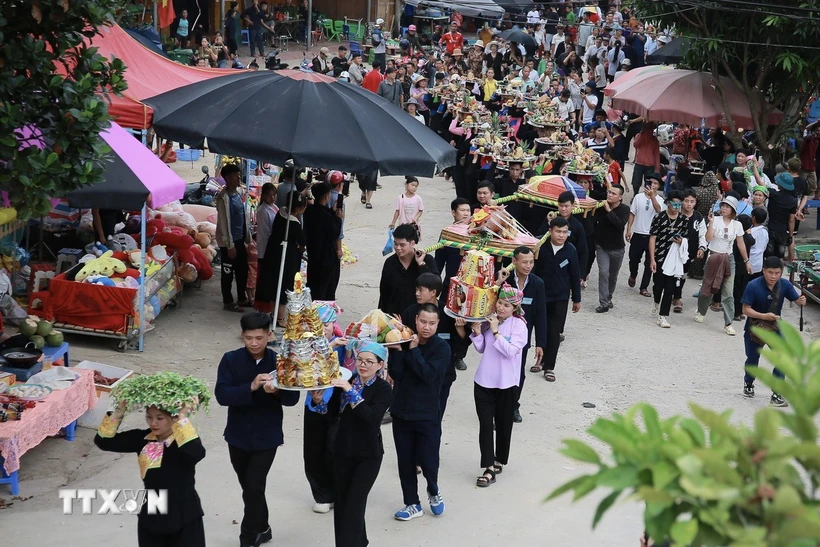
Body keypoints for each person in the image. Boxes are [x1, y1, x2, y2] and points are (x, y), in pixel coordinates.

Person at [215, 312, 300, 547]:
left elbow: (293, 400)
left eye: (259, 338)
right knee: (250, 488)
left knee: (253, 485)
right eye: (249, 338)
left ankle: (248, 538)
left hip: (267, 435)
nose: (254, 343)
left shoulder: (280, 361)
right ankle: (263, 527)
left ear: (269, 335)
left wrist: (278, 391)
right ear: (242, 336)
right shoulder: (230, 360)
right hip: (237, 435)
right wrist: (250, 387)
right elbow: (222, 395)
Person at [308, 342, 393, 547]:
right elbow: (331, 415)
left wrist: (350, 391)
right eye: (360, 360)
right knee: (343, 504)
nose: (363, 365)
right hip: (342, 451)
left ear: (380, 365)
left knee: (355, 506)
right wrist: (319, 402)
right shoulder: (348, 380)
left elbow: (371, 418)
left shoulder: (383, 389)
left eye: (369, 362)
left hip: (368, 455)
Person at [94, 396, 205, 546]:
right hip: (152, 516)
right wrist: (119, 411)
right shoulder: (142, 439)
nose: (153, 423)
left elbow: (196, 453)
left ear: (173, 418)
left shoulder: (183, 441)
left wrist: (183, 418)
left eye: (160, 418)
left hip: (184, 515)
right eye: (149, 417)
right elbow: (103, 441)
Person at [389, 303, 450, 521]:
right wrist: (397, 350)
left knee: (428, 460)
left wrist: (413, 350)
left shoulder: (442, 348)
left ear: (437, 324)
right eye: (423, 322)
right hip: (401, 412)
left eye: (431, 323)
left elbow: (427, 374)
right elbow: (395, 373)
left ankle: (433, 488)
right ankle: (412, 503)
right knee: (405, 461)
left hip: (427, 414)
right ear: (416, 320)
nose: (426, 327)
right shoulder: (403, 341)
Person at [469, 284, 528, 488]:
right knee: (486, 425)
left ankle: (499, 459)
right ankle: (488, 467)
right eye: (500, 303)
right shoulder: (490, 321)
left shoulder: (519, 326)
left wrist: (496, 332)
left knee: (503, 425)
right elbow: (482, 348)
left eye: (506, 305)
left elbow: (510, 351)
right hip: (484, 381)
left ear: (514, 308)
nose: (501, 308)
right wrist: (478, 332)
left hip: (507, 383)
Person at [741, 256, 807, 406]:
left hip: (775, 328)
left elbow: (796, 300)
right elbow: (745, 309)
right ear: (763, 271)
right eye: (770, 272)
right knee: (752, 359)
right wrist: (764, 316)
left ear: (781, 272)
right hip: (754, 329)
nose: (773, 276)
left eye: (777, 273)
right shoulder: (753, 286)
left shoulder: (785, 285)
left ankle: (776, 394)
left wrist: (800, 301)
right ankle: (748, 383)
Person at [303, 305, 348, 514]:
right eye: (318, 325)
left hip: (338, 403)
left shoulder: (344, 345)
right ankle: (322, 494)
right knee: (313, 450)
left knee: (335, 449)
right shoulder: (304, 346)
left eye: (327, 325)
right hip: (314, 401)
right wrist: (330, 346)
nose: (323, 329)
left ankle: (339, 492)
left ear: (334, 325)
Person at [496, 247, 546, 423]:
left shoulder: (537, 283)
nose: (528, 265)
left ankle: (514, 405)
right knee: (499, 371)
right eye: (524, 262)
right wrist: (497, 282)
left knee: (518, 373)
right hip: (499, 335)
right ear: (514, 261)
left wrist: (541, 343)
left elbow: (540, 314)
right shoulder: (504, 280)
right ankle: (497, 407)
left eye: (531, 262)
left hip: (521, 339)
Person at [695, 196, 752, 336]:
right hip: (714, 256)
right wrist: (711, 223)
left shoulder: (737, 225)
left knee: (728, 292)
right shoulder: (715, 220)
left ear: (733, 209)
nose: (724, 208)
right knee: (707, 288)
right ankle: (701, 311)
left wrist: (746, 261)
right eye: (723, 206)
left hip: (728, 258)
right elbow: (708, 239)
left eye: (727, 206)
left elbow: (740, 244)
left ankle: (728, 323)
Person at [534, 217, 582, 382]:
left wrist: (577, 298)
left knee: (554, 332)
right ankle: (539, 360)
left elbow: (575, 275)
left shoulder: (571, 250)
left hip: (560, 298)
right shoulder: (539, 247)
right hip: (540, 297)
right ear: (550, 231)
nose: (561, 235)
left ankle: (549, 367)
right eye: (558, 231)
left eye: (564, 232)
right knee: (541, 329)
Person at [254, 192, 307, 323]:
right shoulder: (293, 223)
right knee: (284, 286)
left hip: (273, 254)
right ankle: (280, 317)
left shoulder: (280, 213)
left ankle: (273, 313)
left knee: (273, 285)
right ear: (299, 208)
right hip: (286, 258)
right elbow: (302, 240)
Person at [378, 224, 439, 316]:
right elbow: (384, 293)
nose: (398, 248)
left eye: (402, 245)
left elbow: (436, 288)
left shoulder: (427, 260)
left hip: (420, 316)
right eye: (395, 244)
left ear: (412, 243)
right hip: (395, 317)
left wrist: (421, 264)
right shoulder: (390, 263)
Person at [648, 190, 689, 328]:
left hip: (674, 258)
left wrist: (681, 241)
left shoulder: (684, 220)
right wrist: (652, 259)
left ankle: (663, 316)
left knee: (670, 288)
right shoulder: (659, 217)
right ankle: (656, 301)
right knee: (658, 285)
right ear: (667, 203)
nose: (676, 207)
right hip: (660, 256)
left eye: (679, 205)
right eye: (674, 204)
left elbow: (687, 238)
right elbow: (653, 238)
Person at [216, 164, 252, 312]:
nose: (239, 178)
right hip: (229, 243)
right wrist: (229, 245)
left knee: (242, 270)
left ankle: (242, 298)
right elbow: (224, 223)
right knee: (228, 273)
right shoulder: (223, 198)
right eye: (236, 175)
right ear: (228, 178)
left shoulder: (238, 193)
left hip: (239, 240)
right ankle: (228, 301)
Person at [626, 173, 664, 297]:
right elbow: (632, 213)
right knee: (633, 258)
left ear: (658, 186)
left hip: (652, 236)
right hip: (638, 233)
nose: (652, 185)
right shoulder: (638, 197)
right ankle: (633, 274)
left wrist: (652, 197)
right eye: (651, 182)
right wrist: (628, 229)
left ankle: (644, 287)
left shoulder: (660, 200)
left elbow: (659, 211)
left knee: (649, 262)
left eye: (656, 184)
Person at [304, 182, 343, 301]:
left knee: (314, 287)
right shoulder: (326, 217)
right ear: (327, 196)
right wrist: (338, 218)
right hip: (326, 259)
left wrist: (332, 212)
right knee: (325, 290)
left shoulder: (309, 210)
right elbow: (335, 232)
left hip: (313, 255)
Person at [594, 185, 631, 313]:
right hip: (602, 246)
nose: (609, 195)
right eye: (609, 192)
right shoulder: (601, 206)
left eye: (613, 193)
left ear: (620, 197)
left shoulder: (625, 209)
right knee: (604, 273)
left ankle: (609, 297)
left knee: (613, 275)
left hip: (617, 248)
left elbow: (620, 225)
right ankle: (603, 302)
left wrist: (609, 211)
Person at [671, 189, 707, 313]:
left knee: (682, 276)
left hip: (688, 253)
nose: (689, 204)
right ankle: (671, 294)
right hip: (672, 251)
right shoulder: (675, 214)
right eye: (686, 201)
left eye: (692, 201)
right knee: (670, 275)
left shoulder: (698, 218)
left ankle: (677, 297)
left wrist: (701, 248)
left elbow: (703, 235)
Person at [765, 172, 797, 261]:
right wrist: (790, 236)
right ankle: (779, 273)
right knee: (780, 258)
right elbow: (791, 220)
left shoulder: (774, 194)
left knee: (769, 257)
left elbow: (761, 183)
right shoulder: (793, 201)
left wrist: (755, 168)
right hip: (782, 232)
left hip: (770, 229)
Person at [732, 214, 756, 322]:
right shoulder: (749, 238)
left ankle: (736, 313)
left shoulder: (737, 238)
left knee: (736, 289)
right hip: (746, 266)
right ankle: (741, 312)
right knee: (743, 289)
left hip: (736, 264)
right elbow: (753, 241)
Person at [631, 123, 661, 195]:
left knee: (648, 183)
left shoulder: (654, 140)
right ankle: (635, 194)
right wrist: (642, 135)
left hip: (650, 165)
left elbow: (657, 154)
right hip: (639, 163)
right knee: (636, 182)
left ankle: (646, 196)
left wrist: (657, 168)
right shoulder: (639, 136)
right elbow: (635, 145)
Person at [748, 207, 769, 279]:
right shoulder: (765, 232)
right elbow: (764, 246)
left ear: (753, 218)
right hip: (759, 263)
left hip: (750, 262)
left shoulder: (751, 232)